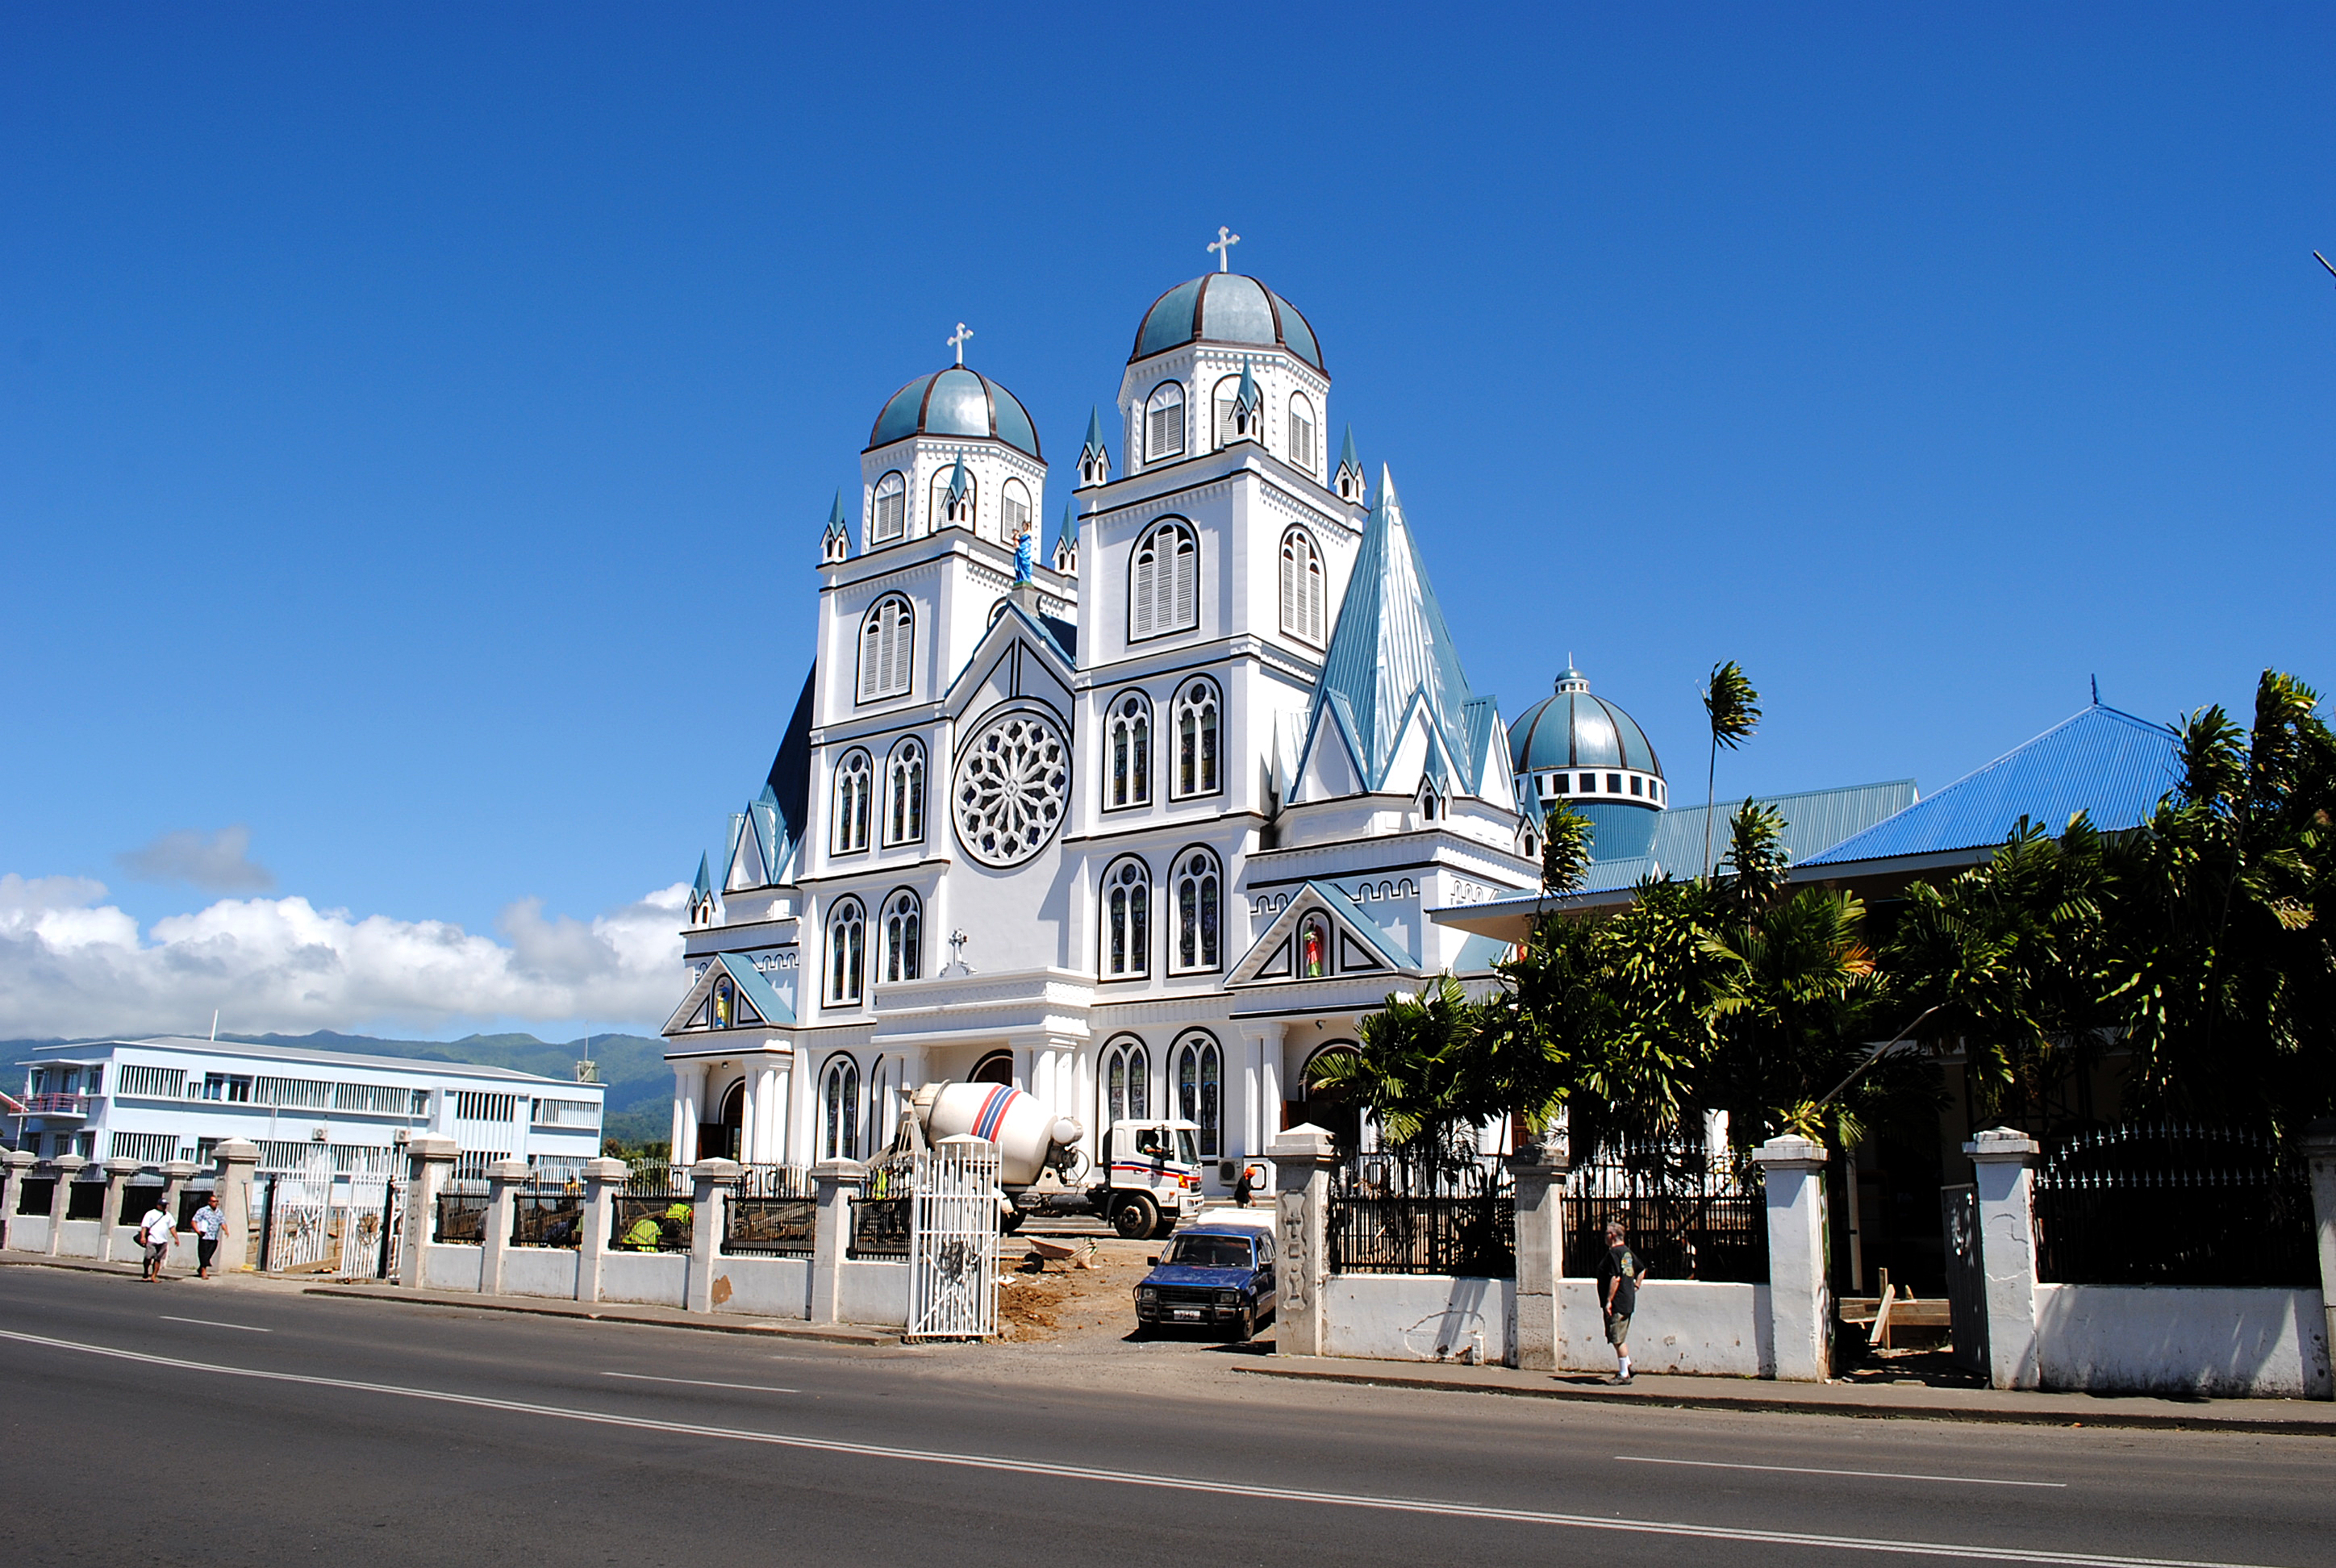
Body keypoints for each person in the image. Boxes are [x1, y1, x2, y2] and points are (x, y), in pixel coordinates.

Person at [1596, 1216, 1643, 1384]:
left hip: (1618, 1302)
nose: (1604, 1236)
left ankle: (1624, 1375)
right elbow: (1641, 1269)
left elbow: (1615, 1278)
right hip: (1627, 1300)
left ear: (1613, 1236)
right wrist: (1636, 1286)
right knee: (1617, 1335)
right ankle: (1628, 1365)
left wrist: (1609, 1300)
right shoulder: (1627, 1252)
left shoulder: (1614, 1253)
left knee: (1617, 1339)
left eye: (1607, 1233)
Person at [137, 1194, 177, 1282]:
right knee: (148, 1257)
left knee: (158, 1259)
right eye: (163, 1205)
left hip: (163, 1240)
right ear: (158, 1205)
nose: (164, 1207)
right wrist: (143, 1237)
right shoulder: (150, 1214)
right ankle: (146, 1271)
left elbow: (172, 1227)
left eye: (165, 1205)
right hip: (152, 1239)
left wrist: (176, 1238)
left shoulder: (168, 1215)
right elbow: (145, 1226)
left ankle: (154, 1276)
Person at [190, 1191, 225, 1278]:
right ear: (209, 1202)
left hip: (214, 1237)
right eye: (213, 1201)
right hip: (205, 1236)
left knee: (209, 1254)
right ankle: (203, 1271)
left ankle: (201, 1267)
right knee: (203, 1254)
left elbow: (222, 1221)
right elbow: (194, 1221)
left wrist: (226, 1230)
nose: (215, 1203)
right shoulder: (203, 1211)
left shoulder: (218, 1212)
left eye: (217, 1201)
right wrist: (197, 1231)